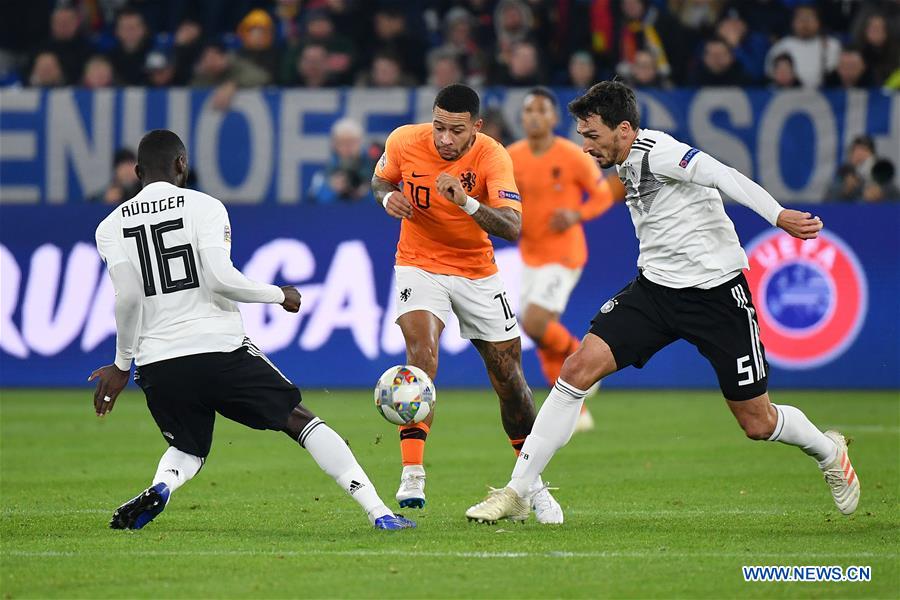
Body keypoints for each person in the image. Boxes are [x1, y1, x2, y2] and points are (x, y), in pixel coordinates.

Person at [465, 81, 859, 523]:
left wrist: (779, 215)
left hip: (717, 296)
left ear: (626, 129)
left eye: (592, 135)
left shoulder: (661, 151)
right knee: (576, 370)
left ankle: (829, 451)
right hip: (655, 292)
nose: (585, 146)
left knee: (758, 422)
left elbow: (722, 174)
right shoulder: (620, 158)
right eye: (582, 135)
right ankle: (518, 492)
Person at [90, 129, 415, 531]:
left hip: (158, 363)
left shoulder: (110, 226)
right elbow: (220, 278)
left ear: (137, 171)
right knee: (300, 421)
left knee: (187, 447)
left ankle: (161, 487)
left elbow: (126, 300)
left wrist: (123, 365)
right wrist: (278, 294)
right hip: (218, 348)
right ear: (182, 165)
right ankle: (379, 511)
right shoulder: (205, 207)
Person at [372, 84, 562, 523]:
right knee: (421, 356)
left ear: (475, 127)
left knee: (510, 379)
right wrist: (387, 197)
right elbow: (380, 178)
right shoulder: (404, 140)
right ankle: (413, 471)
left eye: (455, 131)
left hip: (477, 272)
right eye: (439, 127)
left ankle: (530, 485)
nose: (444, 139)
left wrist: (466, 201)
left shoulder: (493, 156)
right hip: (418, 264)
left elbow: (513, 227)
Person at [507, 87, 619, 433]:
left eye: (542, 110)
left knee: (535, 323)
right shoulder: (512, 156)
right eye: (529, 110)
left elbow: (602, 194)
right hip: (530, 255)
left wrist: (576, 214)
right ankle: (575, 408)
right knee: (540, 334)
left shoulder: (572, 155)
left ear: (555, 118)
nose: (535, 116)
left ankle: (587, 364)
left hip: (564, 254)